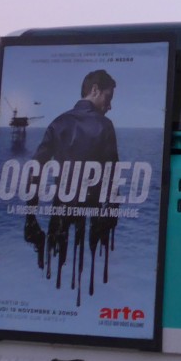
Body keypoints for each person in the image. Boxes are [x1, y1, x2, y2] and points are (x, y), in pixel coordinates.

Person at [23, 69, 120, 277]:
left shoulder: (58, 122)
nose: (109, 106)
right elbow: (113, 176)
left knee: (54, 272)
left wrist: (30, 217)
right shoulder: (105, 126)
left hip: (59, 212)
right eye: (108, 97)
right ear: (95, 90)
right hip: (92, 216)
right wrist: (111, 214)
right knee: (88, 275)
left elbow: (35, 169)